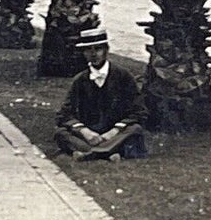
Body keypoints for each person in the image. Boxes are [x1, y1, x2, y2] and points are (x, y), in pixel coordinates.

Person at [54, 27, 147, 161]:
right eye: (88, 50)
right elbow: (64, 114)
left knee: (135, 129)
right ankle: (109, 152)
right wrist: (84, 131)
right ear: (83, 53)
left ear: (106, 50)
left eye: (97, 49)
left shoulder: (123, 76)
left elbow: (139, 111)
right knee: (60, 132)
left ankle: (89, 153)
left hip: (115, 133)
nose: (93, 54)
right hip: (90, 133)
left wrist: (114, 131)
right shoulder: (80, 80)